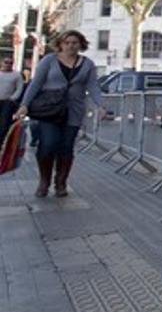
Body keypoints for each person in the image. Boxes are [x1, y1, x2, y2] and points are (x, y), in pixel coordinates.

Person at [14, 31, 104, 198]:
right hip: (50, 110)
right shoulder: (49, 60)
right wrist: (24, 105)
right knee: (48, 145)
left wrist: (100, 105)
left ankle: (61, 182)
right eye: (67, 42)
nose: (71, 45)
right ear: (61, 44)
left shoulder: (88, 64)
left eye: (75, 42)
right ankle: (44, 181)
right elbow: (36, 84)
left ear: (81, 45)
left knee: (66, 147)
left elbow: (93, 86)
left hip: (73, 111)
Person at [0, 57, 21, 131]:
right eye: (6, 62)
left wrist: (12, 98)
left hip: (8, 102)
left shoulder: (17, 75)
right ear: (1, 63)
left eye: (11, 63)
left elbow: (19, 89)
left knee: (4, 122)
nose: (8, 64)